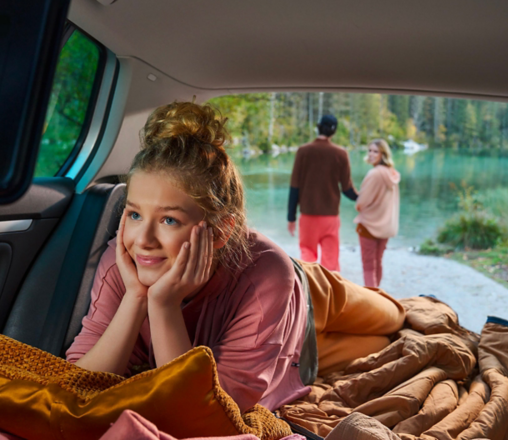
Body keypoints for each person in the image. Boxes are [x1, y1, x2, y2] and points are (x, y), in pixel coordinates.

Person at [65, 101, 405, 413]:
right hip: (286, 351)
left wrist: (164, 305)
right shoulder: (122, 262)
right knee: (380, 346)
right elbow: (80, 385)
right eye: (135, 215)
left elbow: (199, 409)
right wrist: (141, 298)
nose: (143, 240)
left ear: (222, 230)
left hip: (303, 291)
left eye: (169, 220)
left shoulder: (268, 274)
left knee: (393, 320)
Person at [287, 114, 358, 272]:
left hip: (307, 217)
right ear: (334, 132)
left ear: (318, 127)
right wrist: (363, 199)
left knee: (307, 258)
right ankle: (329, 295)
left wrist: (291, 217)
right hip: (330, 218)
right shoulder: (340, 154)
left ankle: (309, 293)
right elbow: (347, 189)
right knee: (330, 262)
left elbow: (294, 187)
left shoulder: (303, 151)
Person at [354, 139, 401, 288]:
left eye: (376, 151)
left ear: (383, 154)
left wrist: (359, 205)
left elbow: (361, 202)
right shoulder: (392, 174)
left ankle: (372, 301)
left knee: (368, 266)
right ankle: (377, 297)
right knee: (378, 263)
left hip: (369, 225)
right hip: (385, 226)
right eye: (370, 150)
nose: (371, 154)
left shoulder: (374, 174)